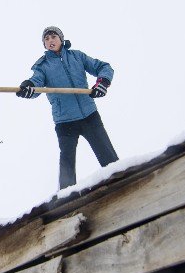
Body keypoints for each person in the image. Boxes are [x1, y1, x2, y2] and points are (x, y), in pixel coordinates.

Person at [16, 26, 119, 189]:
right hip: (65, 122)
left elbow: (104, 67)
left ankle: (120, 181)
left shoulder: (77, 56)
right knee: (67, 165)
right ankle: (67, 198)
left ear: (61, 39)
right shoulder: (42, 66)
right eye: (46, 39)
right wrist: (29, 87)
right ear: (44, 44)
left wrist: (102, 83)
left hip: (89, 116)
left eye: (53, 36)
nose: (50, 40)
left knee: (108, 156)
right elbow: (36, 82)